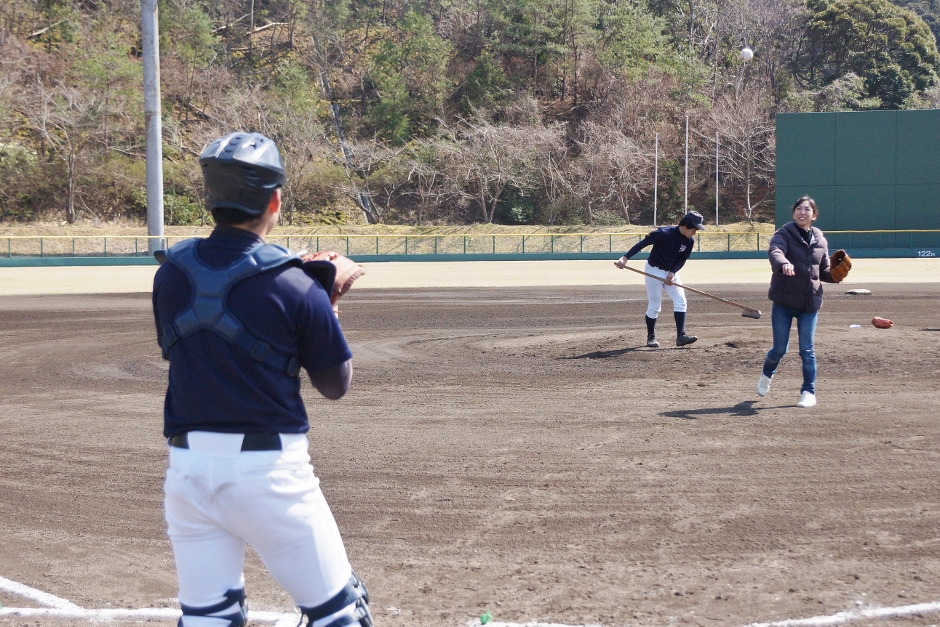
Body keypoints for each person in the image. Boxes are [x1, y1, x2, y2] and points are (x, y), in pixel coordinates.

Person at [152, 131, 372, 627]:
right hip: (270, 476)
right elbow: (335, 385)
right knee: (342, 613)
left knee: (209, 618)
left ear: (211, 197)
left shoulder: (170, 273)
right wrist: (327, 305)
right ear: (274, 201)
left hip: (188, 475)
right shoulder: (296, 284)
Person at [756, 195, 838, 408]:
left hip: (809, 303)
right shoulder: (783, 234)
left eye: (807, 209)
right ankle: (767, 374)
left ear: (814, 215)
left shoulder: (820, 240)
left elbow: (823, 271)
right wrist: (783, 263)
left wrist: (836, 275)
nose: (803, 212)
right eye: (799, 209)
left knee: (807, 351)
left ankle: (808, 392)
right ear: (793, 214)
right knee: (779, 349)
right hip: (784, 302)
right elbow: (775, 251)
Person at [614, 211, 706, 348]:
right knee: (655, 307)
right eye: (694, 229)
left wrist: (672, 273)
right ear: (686, 226)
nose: (695, 232)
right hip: (653, 270)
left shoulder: (689, 241)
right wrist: (625, 258)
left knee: (681, 301)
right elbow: (643, 244)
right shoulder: (663, 233)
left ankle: (681, 336)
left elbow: (682, 260)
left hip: (670, 272)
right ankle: (651, 337)